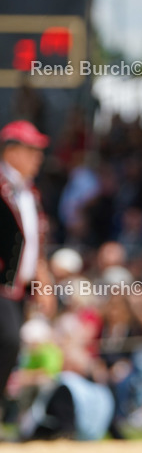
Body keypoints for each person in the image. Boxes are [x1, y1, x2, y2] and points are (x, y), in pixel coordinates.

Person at [0, 120, 53, 425]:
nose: (38, 156)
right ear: (12, 151)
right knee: (7, 342)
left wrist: (42, 279)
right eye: (32, 149)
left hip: (18, 288)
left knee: (10, 347)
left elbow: (35, 241)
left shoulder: (28, 192)